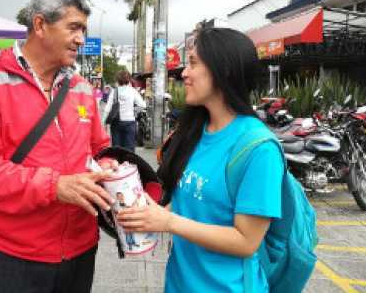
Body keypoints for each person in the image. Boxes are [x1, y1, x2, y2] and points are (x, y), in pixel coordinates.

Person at [0, 0, 118, 293]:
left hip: (80, 251)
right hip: (12, 255)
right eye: (74, 28)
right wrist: (55, 186)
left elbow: (100, 147)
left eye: (84, 29)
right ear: (40, 25)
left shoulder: (81, 86)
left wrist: (108, 166)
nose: (81, 39)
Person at [116, 28, 284, 292]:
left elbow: (246, 241)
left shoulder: (259, 149)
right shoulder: (196, 132)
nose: (184, 73)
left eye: (193, 63)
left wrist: (168, 222)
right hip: (178, 284)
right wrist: (151, 212)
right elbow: (190, 200)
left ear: (223, 70)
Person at [103, 70, 146, 151]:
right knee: (129, 150)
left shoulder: (114, 91)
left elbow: (107, 109)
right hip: (130, 123)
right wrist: (134, 111)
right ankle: (128, 163)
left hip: (116, 123)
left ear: (118, 80)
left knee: (117, 150)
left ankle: (118, 163)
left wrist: (103, 123)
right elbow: (142, 105)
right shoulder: (132, 91)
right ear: (128, 79)